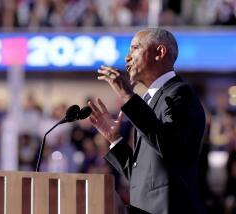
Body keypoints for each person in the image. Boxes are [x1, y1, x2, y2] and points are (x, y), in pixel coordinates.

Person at [88, 28, 206, 214]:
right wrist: (115, 140)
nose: (127, 58)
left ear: (160, 52)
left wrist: (127, 96)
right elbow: (142, 176)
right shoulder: (148, 101)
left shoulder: (180, 94)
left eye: (135, 48)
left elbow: (170, 146)